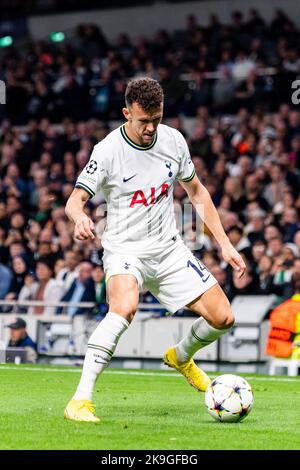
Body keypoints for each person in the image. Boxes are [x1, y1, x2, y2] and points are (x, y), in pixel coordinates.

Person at [63, 77, 245, 422]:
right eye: (143, 121)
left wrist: (225, 244)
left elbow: (197, 193)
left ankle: (180, 356)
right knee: (124, 308)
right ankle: (80, 400)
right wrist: (80, 218)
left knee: (224, 318)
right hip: (125, 249)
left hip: (168, 249)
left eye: (156, 120)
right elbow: (75, 201)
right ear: (126, 113)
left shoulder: (174, 141)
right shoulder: (107, 151)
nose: (150, 128)